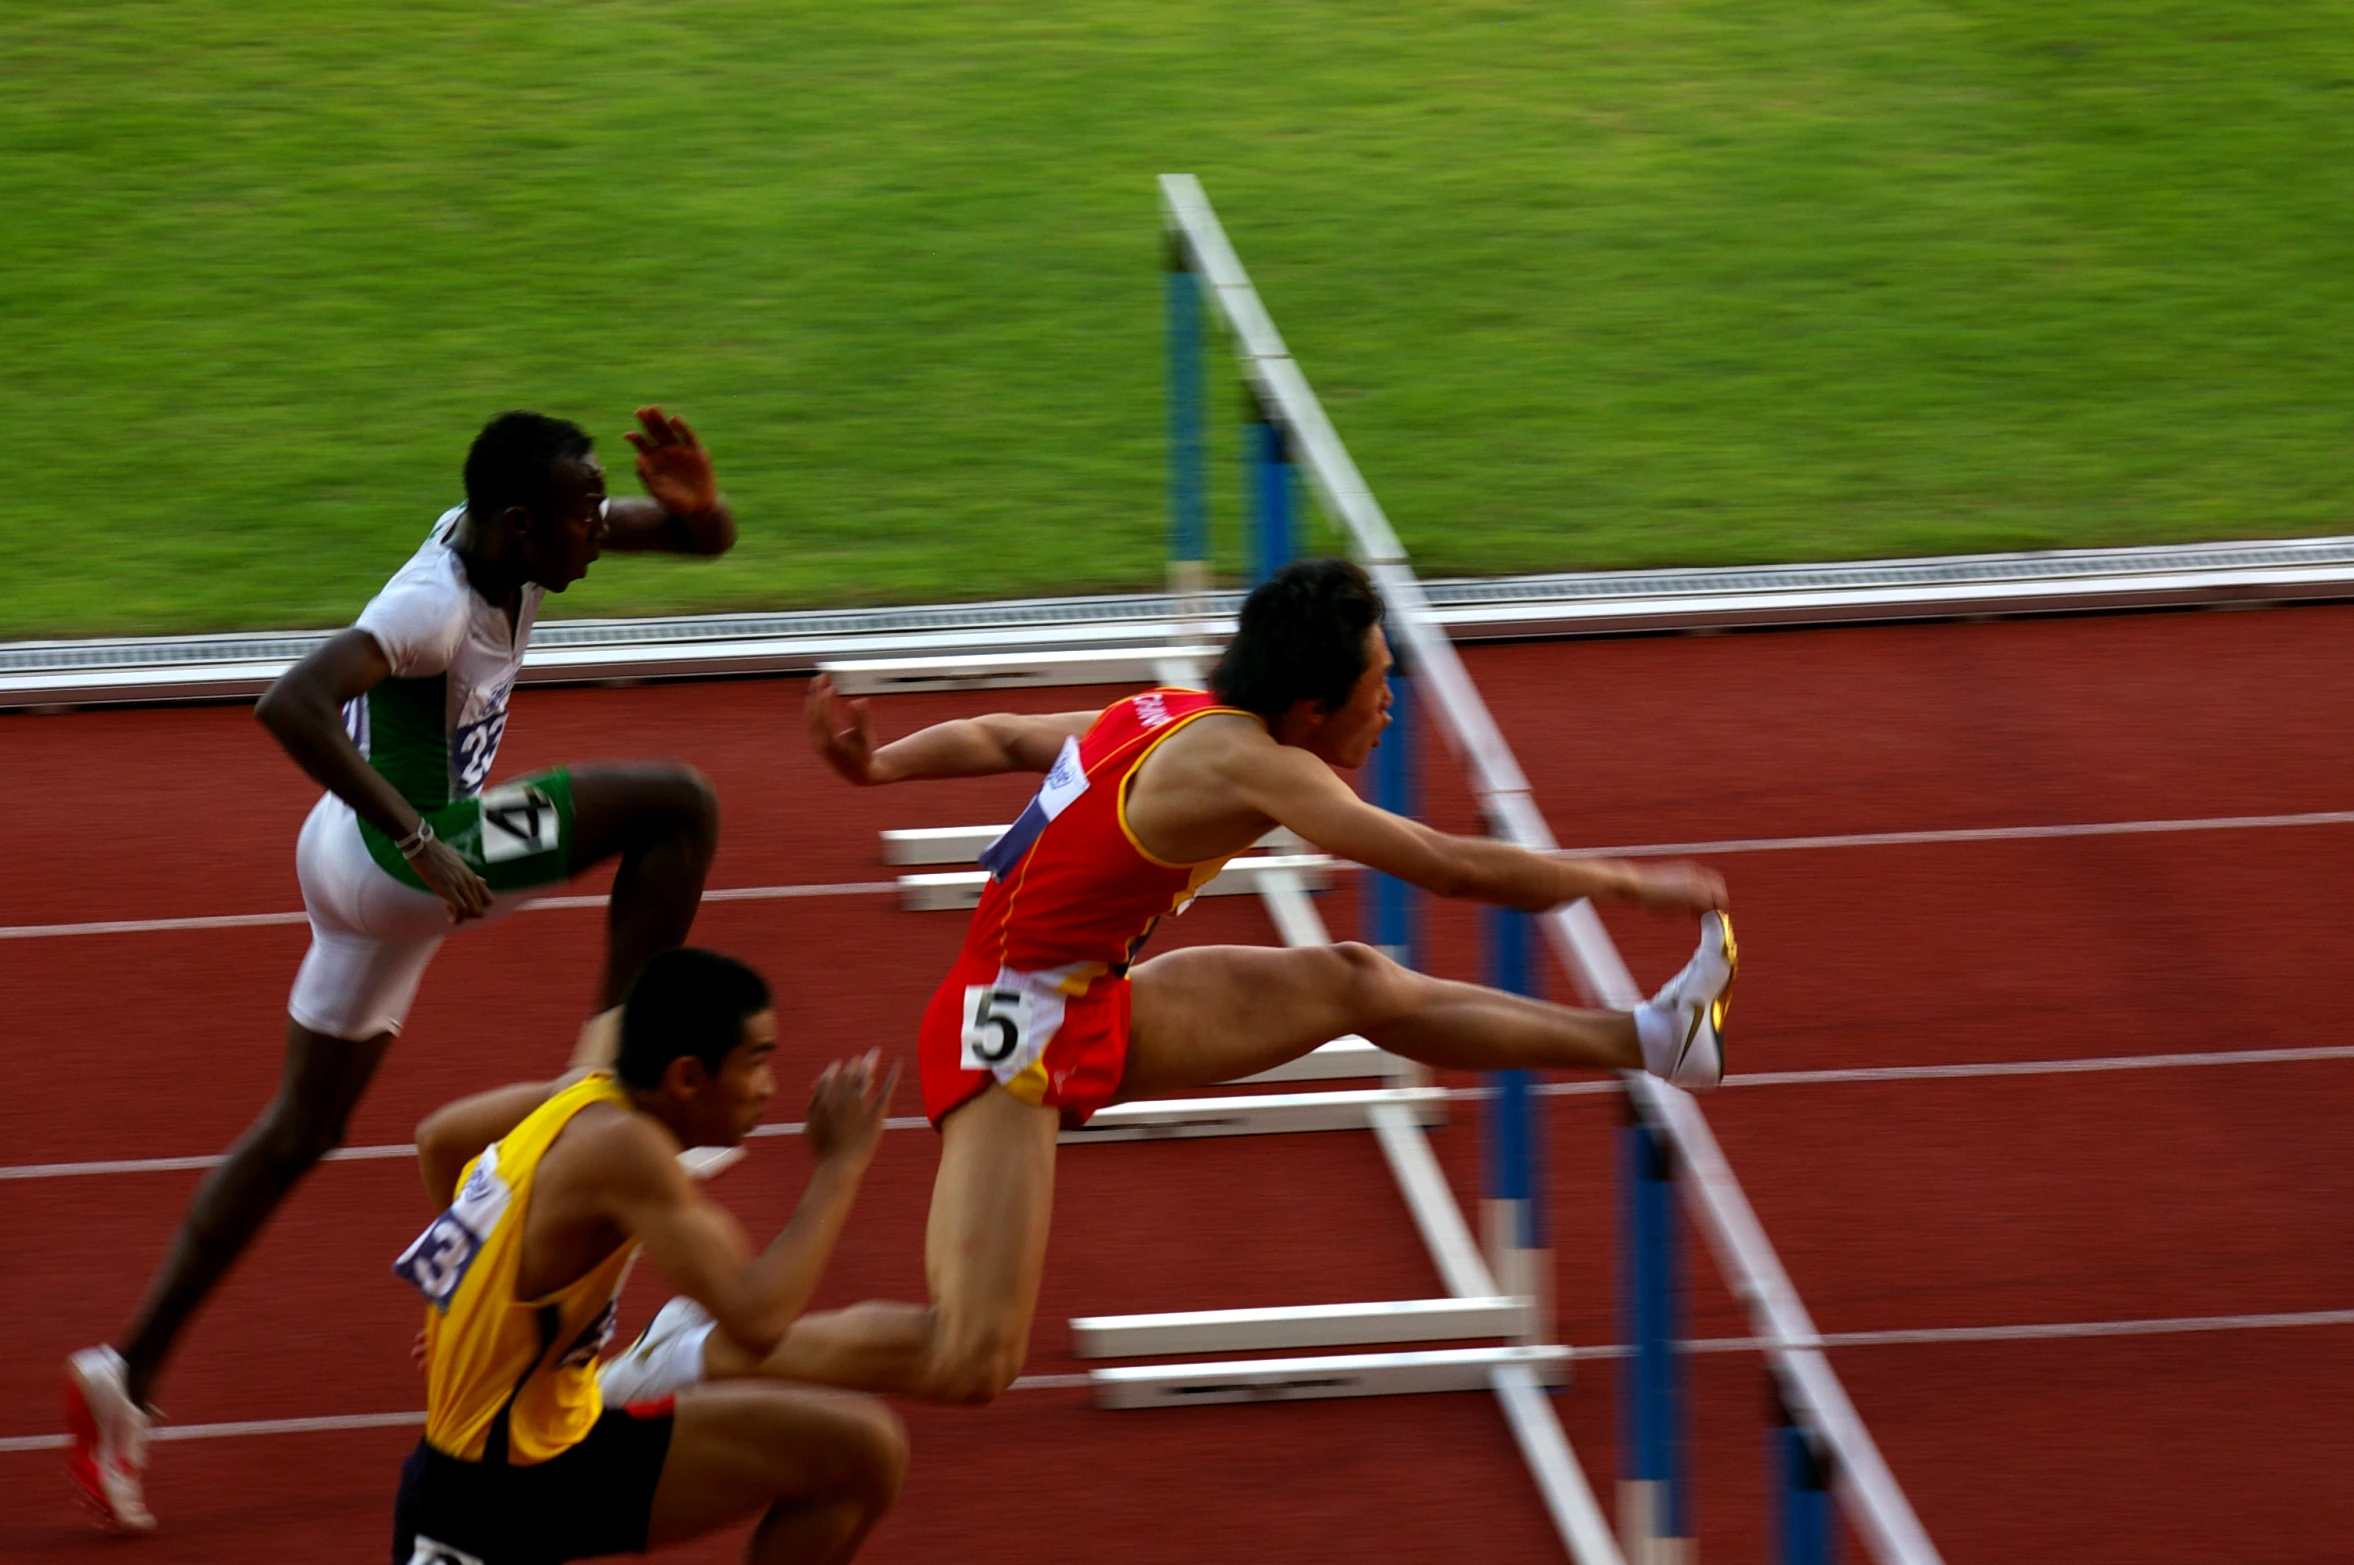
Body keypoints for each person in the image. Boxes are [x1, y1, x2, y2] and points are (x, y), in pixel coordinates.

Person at [605, 556, 1736, 1411]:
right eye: (1377, 685)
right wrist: (1616, 876)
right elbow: (1438, 860)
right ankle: (694, 1350)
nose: (1390, 705)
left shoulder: (1162, 710)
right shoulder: (1256, 762)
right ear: (1307, 710)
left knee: (1354, 979)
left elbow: (1006, 733)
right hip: (1009, 1032)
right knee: (973, 1357)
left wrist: (878, 761)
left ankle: (1651, 1034)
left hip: (1084, 992)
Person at [67, 407, 739, 1532]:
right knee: (679, 804)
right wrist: (423, 836)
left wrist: (694, 502)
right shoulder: (431, 603)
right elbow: (290, 698)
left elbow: (699, 543)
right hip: (409, 855)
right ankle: (613, 1092)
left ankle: (121, 1374)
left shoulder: (513, 536)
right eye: (585, 516)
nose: (598, 532)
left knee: (298, 1129)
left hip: (346, 861)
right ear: (521, 525)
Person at [392, 946, 905, 1565]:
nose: (769, 1088)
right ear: (687, 1077)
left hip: (563, 1440)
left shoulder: (583, 1096)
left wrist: (471, 1310)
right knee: (860, 1451)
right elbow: (757, 1319)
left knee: (862, 1453)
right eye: (757, 1064)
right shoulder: (624, 1151)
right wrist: (840, 1167)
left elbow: (439, 1141)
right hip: (488, 1497)